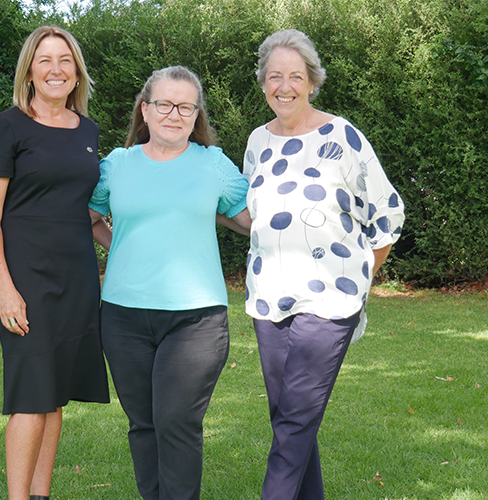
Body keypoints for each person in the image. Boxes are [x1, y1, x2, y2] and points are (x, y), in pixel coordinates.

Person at [242, 29, 406, 500]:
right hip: (269, 298)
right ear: (263, 83)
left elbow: (388, 210)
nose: (285, 86)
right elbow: (259, 216)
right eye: (275, 76)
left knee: (294, 422)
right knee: (291, 419)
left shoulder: (343, 135)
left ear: (312, 81)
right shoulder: (258, 142)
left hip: (331, 299)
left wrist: (360, 280)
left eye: (295, 76)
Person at [88, 65, 251, 500]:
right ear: (145, 110)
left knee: (176, 423)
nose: (174, 114)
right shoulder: (117, 165)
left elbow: (254, 222)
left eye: (185, 106)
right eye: (164, 104)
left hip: (195, 320)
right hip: (123, 317)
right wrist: (118, 245)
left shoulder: (213, 165)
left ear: (196, 116)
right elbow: (86, 218)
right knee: (143, 424)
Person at [0, 26, 110, 500]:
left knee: (55, 394)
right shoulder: (6, 126)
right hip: (25, 278)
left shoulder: (89, 132)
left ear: (77, 74)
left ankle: (40, 496)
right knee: (32, 394)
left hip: (77, 277)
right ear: (29, 71)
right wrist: (6, 289)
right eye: (44, 60)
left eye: (65, 60)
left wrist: (126, 246)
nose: (55, 69)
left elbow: (86, 212)